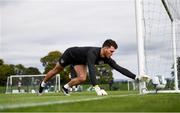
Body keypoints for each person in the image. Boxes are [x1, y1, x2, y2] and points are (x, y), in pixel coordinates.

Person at [39, 39, 150, 96]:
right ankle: (43, 83)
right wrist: (97, 87)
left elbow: (119, 68)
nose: (112, 53)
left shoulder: (107, 58)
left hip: (79, 61)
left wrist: (136, 77)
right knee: (57, 70)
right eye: (111, 51)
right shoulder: (92, 53)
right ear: (105, 48)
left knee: (82, 78)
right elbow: (92, 69)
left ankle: (65, 87)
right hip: (70, 54)